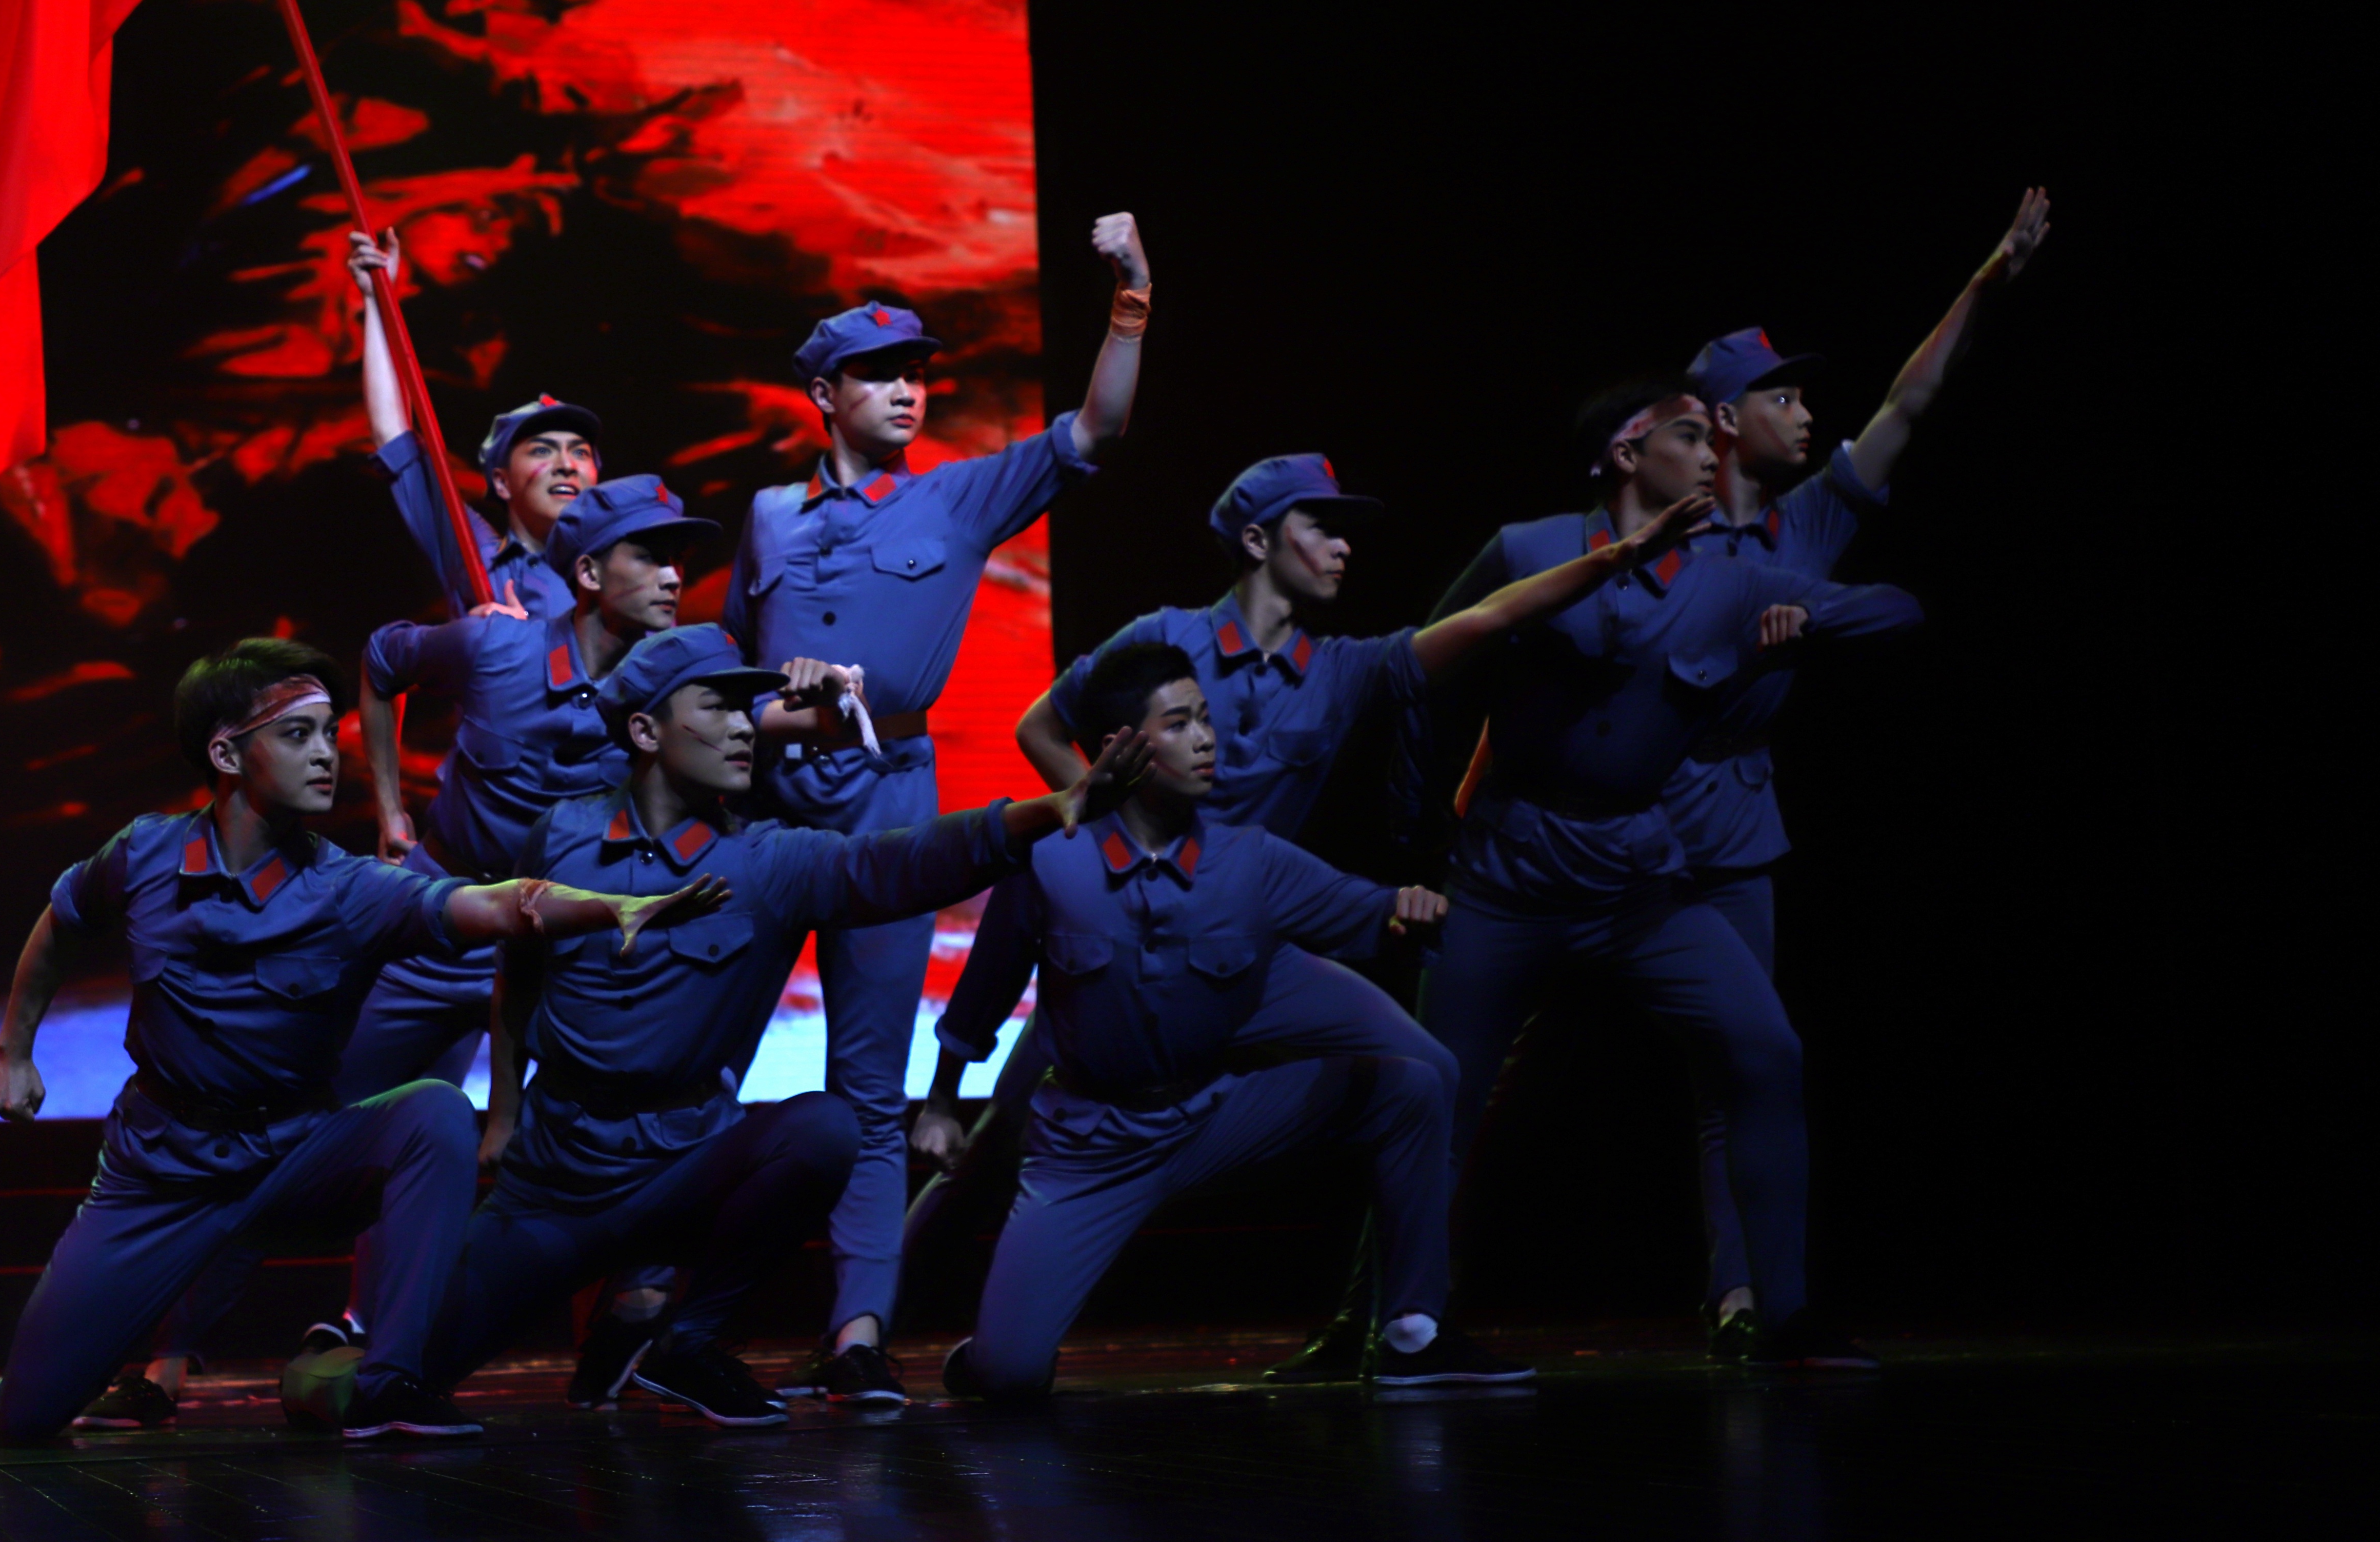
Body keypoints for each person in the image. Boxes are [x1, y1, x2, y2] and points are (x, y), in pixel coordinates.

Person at [912, 455, 1712, 1353]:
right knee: (993, 1144)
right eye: (1321, 527)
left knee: (1424, 1069)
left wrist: (1618, 556)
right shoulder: (1165, 640)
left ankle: (1411, 1326)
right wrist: (1108, 829)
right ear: (1258, 541)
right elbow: (1037, 725)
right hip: (1125, 951)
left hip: (1246, 946)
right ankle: (867, 1325)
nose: (1342, 548)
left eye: (1345, 533)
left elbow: (1488, 619)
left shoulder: (1342, 670)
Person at [0, 638, 721, 1447]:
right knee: (29, 1423)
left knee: (432, 1112)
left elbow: (500, 904)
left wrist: (608, 907)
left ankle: (388, 1381)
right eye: (298, 734)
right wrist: (13, 1051)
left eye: (329, 732)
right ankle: (34, 1395)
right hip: (161, 1170)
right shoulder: (144, 853)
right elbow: (61, 923)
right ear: (225, 753)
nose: (327, 753)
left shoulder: (350, 888)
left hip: (293, 1157)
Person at [74, 473, 741, 1428]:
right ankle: (164, 1363)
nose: (676, 576)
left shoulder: (676, 690)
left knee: (618, 1128)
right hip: (434, 933)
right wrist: (389, 804)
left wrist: (829, 694)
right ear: (592, 573)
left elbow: (756, 732)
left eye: (682, 559)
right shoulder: (498, 644)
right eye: (654, 556)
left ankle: (507, 1351)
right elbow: (384, 661)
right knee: (291, 1131)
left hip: (557, 952)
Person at [429, 625, 1153, 1427]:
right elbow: (519, 976)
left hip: (681, 1172)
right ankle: (606, 1315)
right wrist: (503, 1115)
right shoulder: (560, 835)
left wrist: (1052, 809)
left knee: (824, 1130)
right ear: (645, 731)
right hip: (556, 1181)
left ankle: (687, 1340)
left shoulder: (767, 862)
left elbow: (904, 860)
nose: (745, 727)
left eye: (748, 710)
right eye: (718, 706)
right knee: (400, 1378)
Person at [1401, 381, 1925, 1372]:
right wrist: (1420, 849)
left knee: (1765, 1050)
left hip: (1635, 880)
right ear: (1625, 455)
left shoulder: (1729, 579)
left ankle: (1781, 1315)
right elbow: (1413, 678)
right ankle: (1407, 1325)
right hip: (1508, 875)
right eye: (1688, 434)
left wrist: (1809, 626)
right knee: (1438, 1088)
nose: (1708, 450)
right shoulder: (1527, 548)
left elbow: (1898, 609)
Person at [723, 211, 1153, 1405]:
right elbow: (726, 666)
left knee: (871, 1086)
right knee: (704, 1059)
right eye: (880, 373)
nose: (908, 389)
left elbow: (1096, 429)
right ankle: (656, 1305)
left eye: (917, 371)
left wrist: (1129, 298)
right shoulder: (768, 515)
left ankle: (857, 1331)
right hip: (766, 813)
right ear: (825, 393)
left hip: (887, 803)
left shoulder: (959, 499)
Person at [1669, 187, 2052, 1362]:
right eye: (1780, 397)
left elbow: (1909, 401)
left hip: (1730, 826)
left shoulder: (1808, 525)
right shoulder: (1658, 528)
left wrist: (1985, 282)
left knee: (1743, 1063)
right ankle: (1403, 1305)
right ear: (1723, 419)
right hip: (1616, 825)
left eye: (1802, 396)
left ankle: (1748, 1298)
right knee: (1486, 1069)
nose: (1805, 412)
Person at [938, 642, 1523, 1398]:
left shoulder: (1251, 860)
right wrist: (943, 1105)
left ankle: (1413, 1330)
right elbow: (980, 997)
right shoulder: (1051, 859)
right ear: (1123, 747)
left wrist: (1409, 910)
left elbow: (1370, 911)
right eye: (1181, 724)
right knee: (1008, 1376)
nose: (1207, 740)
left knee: (1415, 1082)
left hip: (1216, 1118)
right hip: (1093, 1147)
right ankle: (1000, 1345)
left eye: (1206, 720)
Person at [348, 226, 601, 622]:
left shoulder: (627, 564)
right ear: (501, 482)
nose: (566, 465)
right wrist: (377, 300)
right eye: (542, 450)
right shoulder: (477, 557)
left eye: (580, 452)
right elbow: (393, 435)